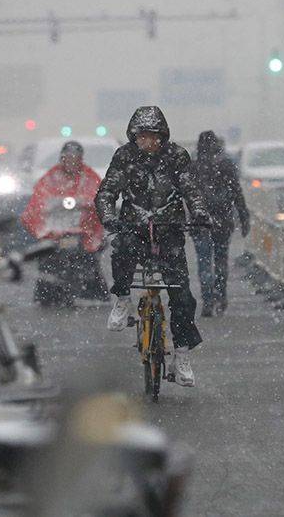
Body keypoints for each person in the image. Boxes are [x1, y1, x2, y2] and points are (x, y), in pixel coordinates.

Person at [95, 106, 211, 387]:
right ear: (133, 137)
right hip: (133, 226)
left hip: (169, 230)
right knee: (122, 252)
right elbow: (107, 193)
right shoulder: (124, 157)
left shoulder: (176, 157)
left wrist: (199, 212)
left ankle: (181, 354)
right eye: (142, 136)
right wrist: (109, 217)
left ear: (163, 137)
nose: (148, 142)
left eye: (153, 136)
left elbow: (191, 190)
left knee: (182, 297)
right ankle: (122, 300)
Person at [21, 141, 108, 305]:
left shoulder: (89, 177)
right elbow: (39, 200)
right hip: (55, 231)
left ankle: (90, 289)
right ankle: (48, 291)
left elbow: (98, 197)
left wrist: (87, 205)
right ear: (62, 158)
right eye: (67, 158)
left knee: (90, 258)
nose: (71, 162)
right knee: (47, 258)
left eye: (75, 158)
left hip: (83, 230)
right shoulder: (51, 178)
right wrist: (49, 207)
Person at [190, 130, 250, 317]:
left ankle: (207, 300)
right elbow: (236, 193)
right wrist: (243, 215)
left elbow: (186, 195)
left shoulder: (194, 165)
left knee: (204, 261)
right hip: (222, 221)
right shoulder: (226, 165)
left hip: (200, 222)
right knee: (221, 259)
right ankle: (220, 296)